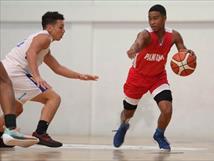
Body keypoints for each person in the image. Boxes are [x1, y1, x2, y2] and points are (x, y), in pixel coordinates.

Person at [0, 11, 98, 148]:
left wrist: (79, 75)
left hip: (7, 71)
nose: (63, 31)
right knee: (53, 98)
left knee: (17, 108)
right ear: (50, 27)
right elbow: (30, 53)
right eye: (61, 27)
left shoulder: (44, 44)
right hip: (15, 72)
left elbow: (57, 67)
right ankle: (40, 133)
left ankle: (0, 138)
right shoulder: (44, 37)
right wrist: (37, 76)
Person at [113, 4, 195, 151]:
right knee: (128, 112)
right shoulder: (145, 34)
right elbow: (138, 43)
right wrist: (133, 49)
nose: (152, 22)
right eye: (150, 19)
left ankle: (159, 134)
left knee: (167, 109)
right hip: (137, 77)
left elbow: (182, 49)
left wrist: (188, 53)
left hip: (158, 77)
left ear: (164, 18)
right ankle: (123, 125)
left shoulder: (174, 35)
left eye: (156, 18)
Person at [0, 62, 39, 148]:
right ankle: (10, 128)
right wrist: (37, 76)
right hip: (15, 72)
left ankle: (10, 129)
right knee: (4, 81)